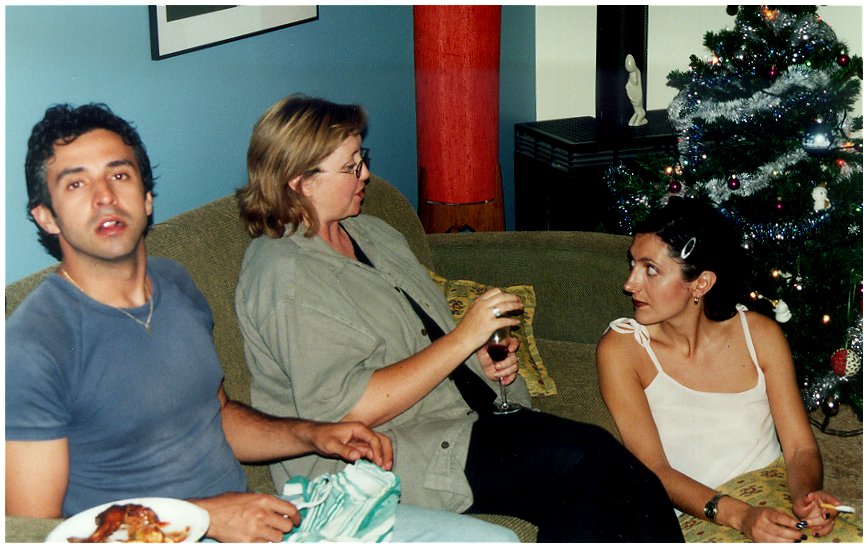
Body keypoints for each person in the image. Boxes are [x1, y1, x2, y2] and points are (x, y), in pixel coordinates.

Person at [5, 103, 519, 543]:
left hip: (271, 523)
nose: (104, 197)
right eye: (76, 183)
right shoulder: (33, 345)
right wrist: (205, 517)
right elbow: (32, 530)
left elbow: (220, 417)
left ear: (146, 197)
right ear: (46, 216)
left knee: (494, 542)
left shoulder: (175, 285)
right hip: (172, 536)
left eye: (119, 175)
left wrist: (316, 435)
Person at [234, 94, 685, 542]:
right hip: (391, 453)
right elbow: (345, 411)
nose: (365, 174)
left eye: (361, 159)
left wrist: (477, 363)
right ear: (300, 182)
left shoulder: (370, 233)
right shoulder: (287, 277)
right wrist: (464, 339)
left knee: (611, 481)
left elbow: (417, 341)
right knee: (589, 462)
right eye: (351, 167)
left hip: (460, 417)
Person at [596, 196, 845, 542]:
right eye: (633, 264)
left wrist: (806, 496)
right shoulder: (623, 350)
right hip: (700, 512)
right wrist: (741, 516)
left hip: (772, 491)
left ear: (701, 284)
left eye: (650, 269)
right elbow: (654, 469)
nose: (630, 284)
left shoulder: (760, 334)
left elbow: (800, 447)